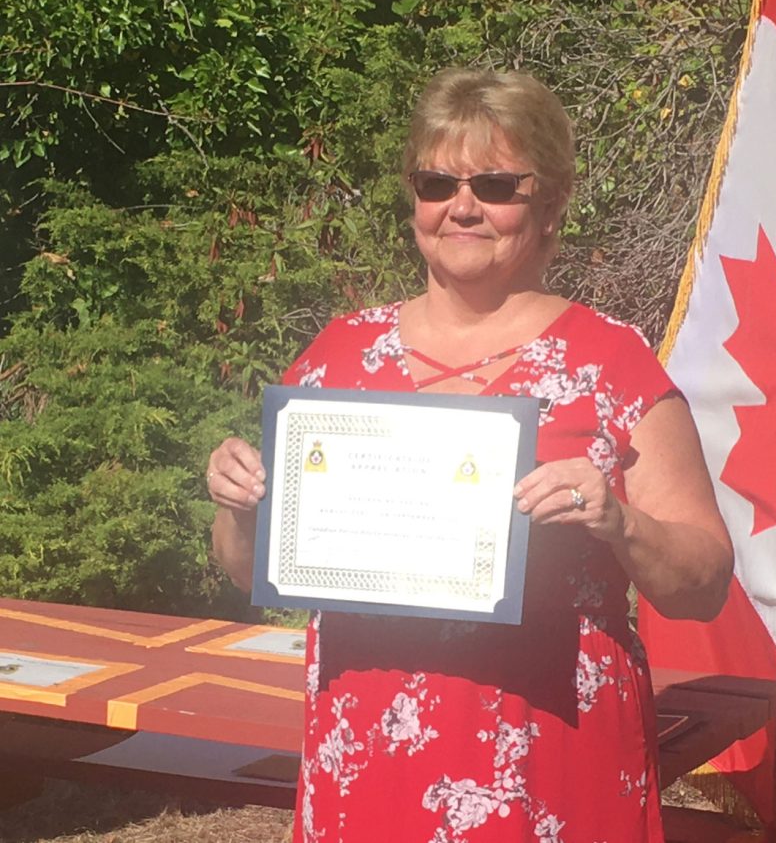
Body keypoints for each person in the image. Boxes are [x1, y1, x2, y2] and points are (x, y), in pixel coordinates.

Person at [207, 67, 732, 843]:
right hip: (369, 754)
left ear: (549, 203)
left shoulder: (611, 366)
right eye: (435, 182)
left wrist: (619, 522)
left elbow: (706, 581)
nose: (461, 206)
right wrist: (236, 504)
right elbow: (249, 569)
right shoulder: (335, 358)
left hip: (549, 756)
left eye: (495, 184)